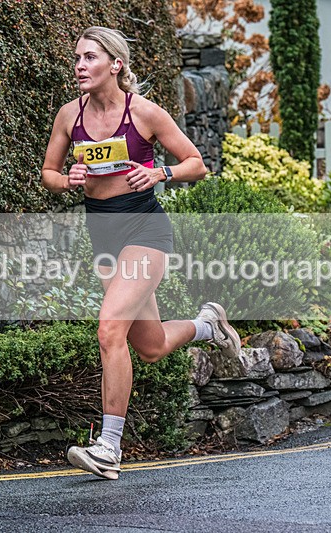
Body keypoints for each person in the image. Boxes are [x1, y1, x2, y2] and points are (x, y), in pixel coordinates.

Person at [41, 26, 241, 480]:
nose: (79, 66)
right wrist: (67, 179)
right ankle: (206, 325)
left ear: (115, 64)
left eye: (90, 57)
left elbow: (197, 164)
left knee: (110, 329)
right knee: (148, 347)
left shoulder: (145, 113)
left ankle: (109, 446)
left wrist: (159, 174)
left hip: (146, 229)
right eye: (77, 58)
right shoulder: (69, 116)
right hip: (104, 235)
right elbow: (49, 173)